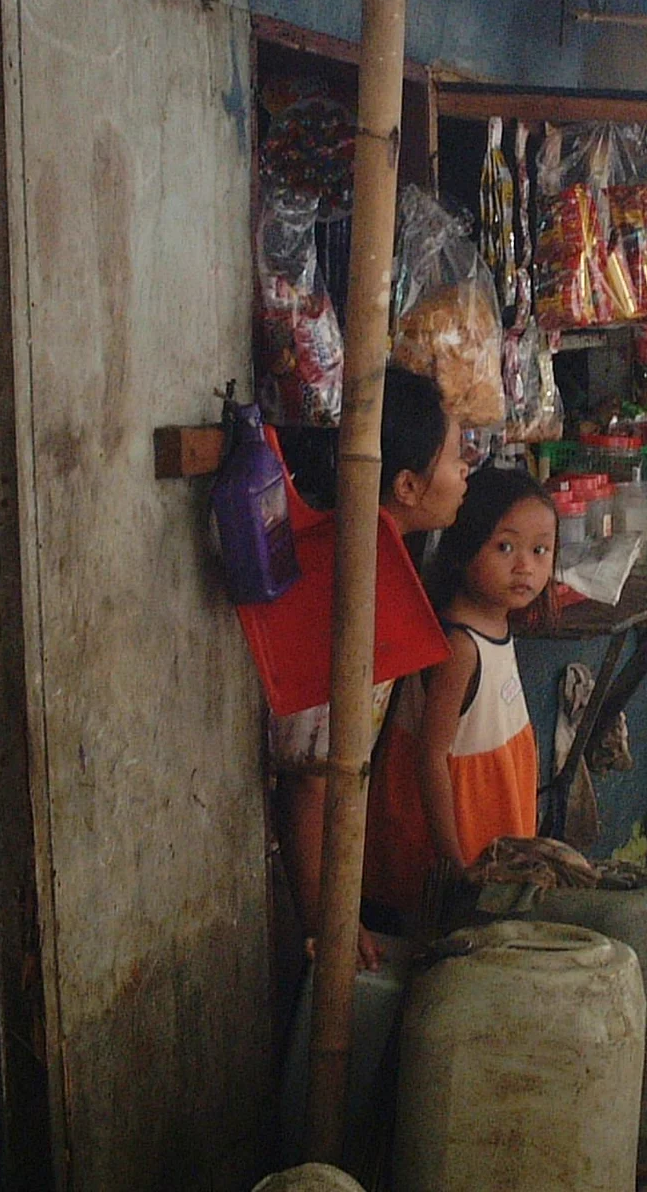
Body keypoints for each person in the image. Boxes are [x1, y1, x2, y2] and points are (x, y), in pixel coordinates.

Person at [271, 366, 469, 965]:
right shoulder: (355, 581)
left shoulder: (378, 560)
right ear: (407, 485)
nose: (466, 472)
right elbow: (307, 781)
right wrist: (329, 919)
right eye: (456, 458)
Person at [361, 470, 557, 921]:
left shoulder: (496, 623)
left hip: (489, 831)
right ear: (464, 546)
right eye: (504, 547)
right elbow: (430, 758)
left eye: (540, 550)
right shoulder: (460, 647)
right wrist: (454, 864)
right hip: (452, 844)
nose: (525, 566)